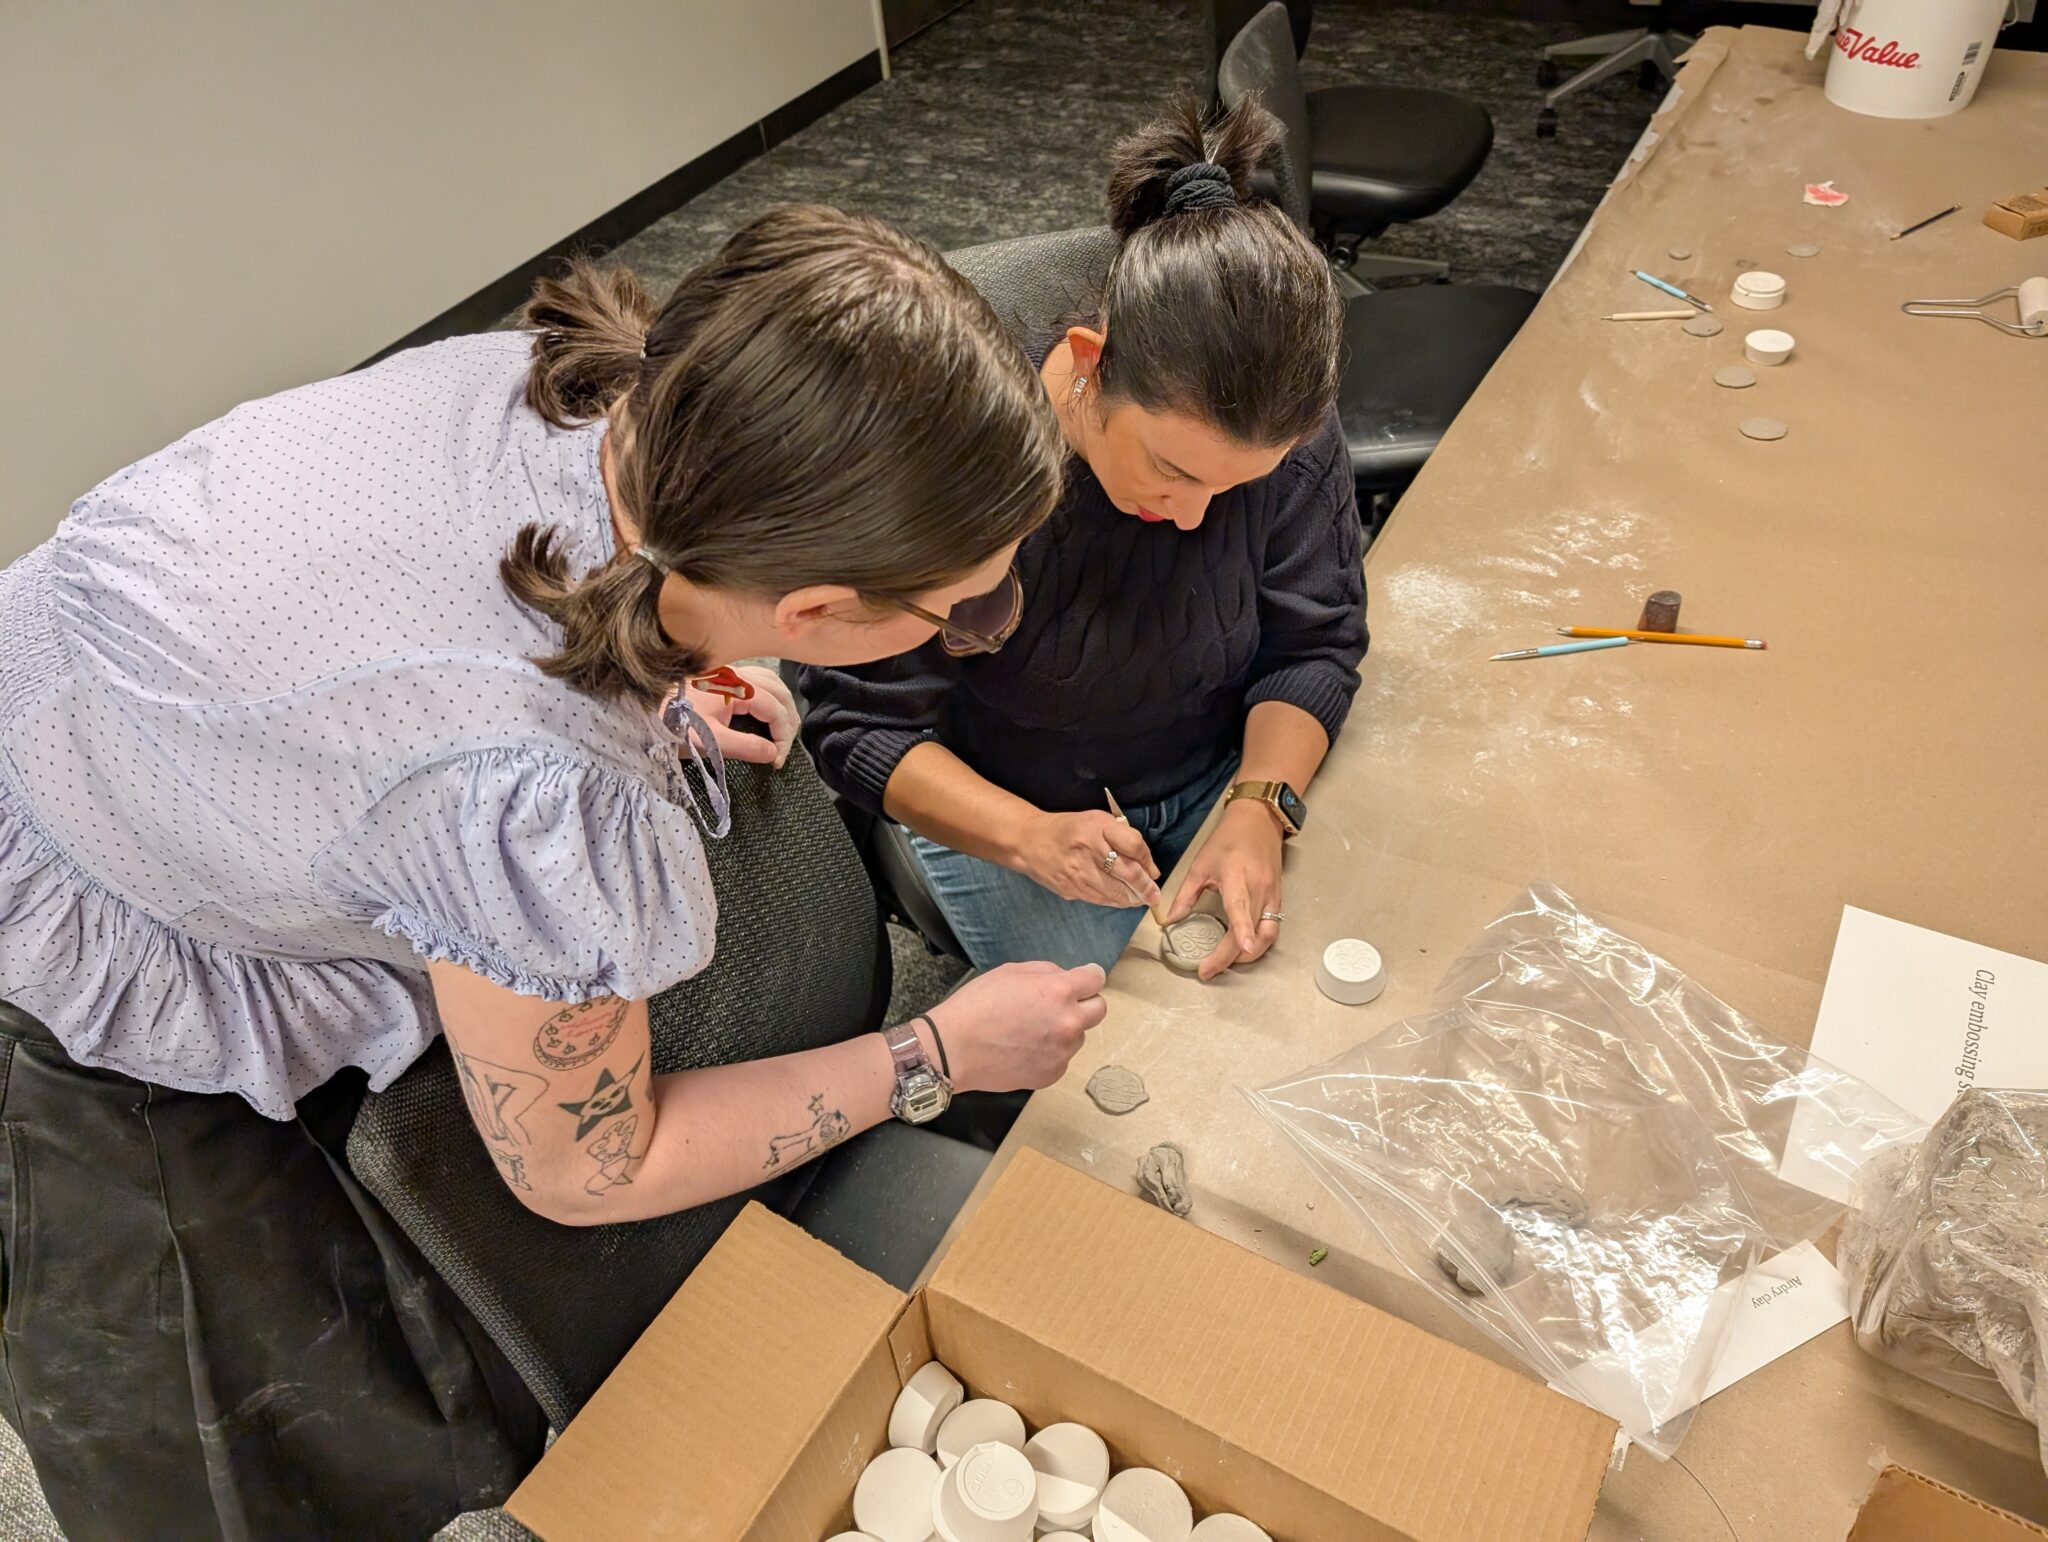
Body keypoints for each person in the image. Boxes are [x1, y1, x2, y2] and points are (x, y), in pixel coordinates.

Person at [0, 205, 1109, 1540]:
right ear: (811, 614)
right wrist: (932, 1053)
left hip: (134, 714)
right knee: (271, 1457)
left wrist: (663, 684)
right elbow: (589, 1166)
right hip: (75, 919)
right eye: (960, 607)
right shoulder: (537, 790)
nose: (978, 621)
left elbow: (447, 650)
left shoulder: (595, 386)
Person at [797, 101, 1367, 981]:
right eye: (1172, 470)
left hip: (1222, 764)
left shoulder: (1277, 426)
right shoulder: (945, 460)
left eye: (1236, 487)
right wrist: (1028, 838)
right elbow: (857, 721)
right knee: (1149, 1046)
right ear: (1090, 361)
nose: (1193, 516)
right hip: (1010, 809)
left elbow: (1316, 638)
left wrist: (1260, 802)